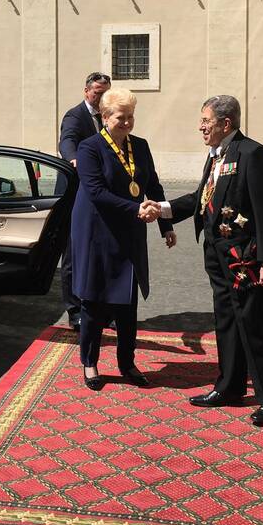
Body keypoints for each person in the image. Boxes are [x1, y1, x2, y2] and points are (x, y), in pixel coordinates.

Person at [145, 95, 263, 427]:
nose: (200, 127)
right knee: (227, 323)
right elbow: (201, 198)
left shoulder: (254, 155)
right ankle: (230, 387)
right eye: (201, 120)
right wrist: (162, 209)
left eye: (206, 121)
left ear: (226, 123)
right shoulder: (216, 157)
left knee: (253, 327)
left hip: (245, 261)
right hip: (217, 257)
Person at [71, 87, 175, 391]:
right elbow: (96, 193)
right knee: (94, 301)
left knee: (127, 302)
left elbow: (152, 186)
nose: (127, 122)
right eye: (121, 117)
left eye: (131, 117)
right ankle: (89, 362)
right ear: (105, 117)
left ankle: (127, 363)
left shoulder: (140, 146)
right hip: (96, 232)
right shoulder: (89, 148)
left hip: (130, 229)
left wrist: (165, 225)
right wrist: (136, 208)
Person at [58, 72, 112, 329]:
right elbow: (67, 141)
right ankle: (74, 310)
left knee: (104, 251)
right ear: (86, 91)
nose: (101, 98)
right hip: (77, 191)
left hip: (104, 194)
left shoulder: (109, 116)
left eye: (105, 93)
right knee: (73, 253)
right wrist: (74, 159)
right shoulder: (75, 115)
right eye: (97, 93)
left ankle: (106, 309)